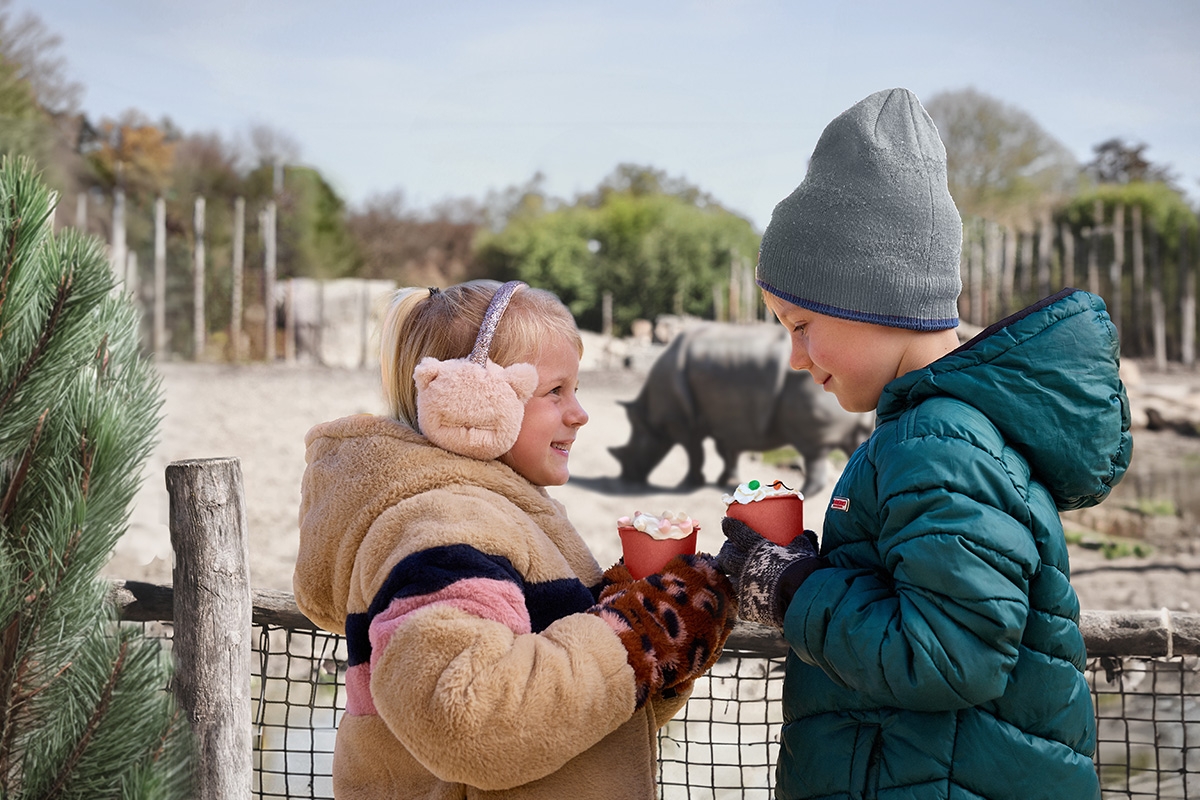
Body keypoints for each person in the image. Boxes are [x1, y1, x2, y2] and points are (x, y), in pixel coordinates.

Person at [716, 88, 1130, 799]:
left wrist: (788, 587)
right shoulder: (937, 433)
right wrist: (808, 569)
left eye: (800, 323)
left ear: (871, 298)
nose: (794, 357)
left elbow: (949, 656)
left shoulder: (937, 444)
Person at [294, 279, 736, 800]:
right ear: (471, 397)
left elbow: (564, 729)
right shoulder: (447, 531)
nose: (579, 413)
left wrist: (658, 645)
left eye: (576, 389)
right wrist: (634, 637)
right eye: (554, 391)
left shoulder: (501, 516)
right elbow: (470, 719)